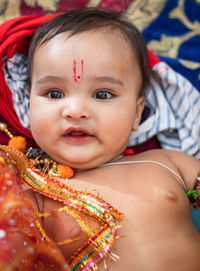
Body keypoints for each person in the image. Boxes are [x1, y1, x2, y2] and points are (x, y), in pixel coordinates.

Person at [0, 8, 200, 271]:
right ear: (28, 105)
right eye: (55, 93)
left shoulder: (168, 163)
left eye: (103, 94)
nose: (75, 110)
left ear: (138, 112)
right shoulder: (31, 192)